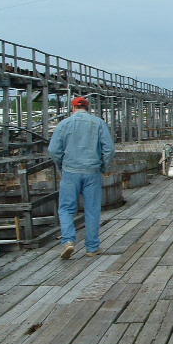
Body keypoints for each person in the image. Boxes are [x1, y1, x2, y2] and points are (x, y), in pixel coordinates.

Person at [48, 96, 115, 259]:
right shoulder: (98, 123)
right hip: (92, 171)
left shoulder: (64, 124)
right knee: (92, 210)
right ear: (88, 107)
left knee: (66, 209)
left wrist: (61, 166)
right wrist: (104, 167)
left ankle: (69, 241)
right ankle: (92, 248)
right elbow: (109, 149)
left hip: (70, 172)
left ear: (73, 108)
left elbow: (53, 150)